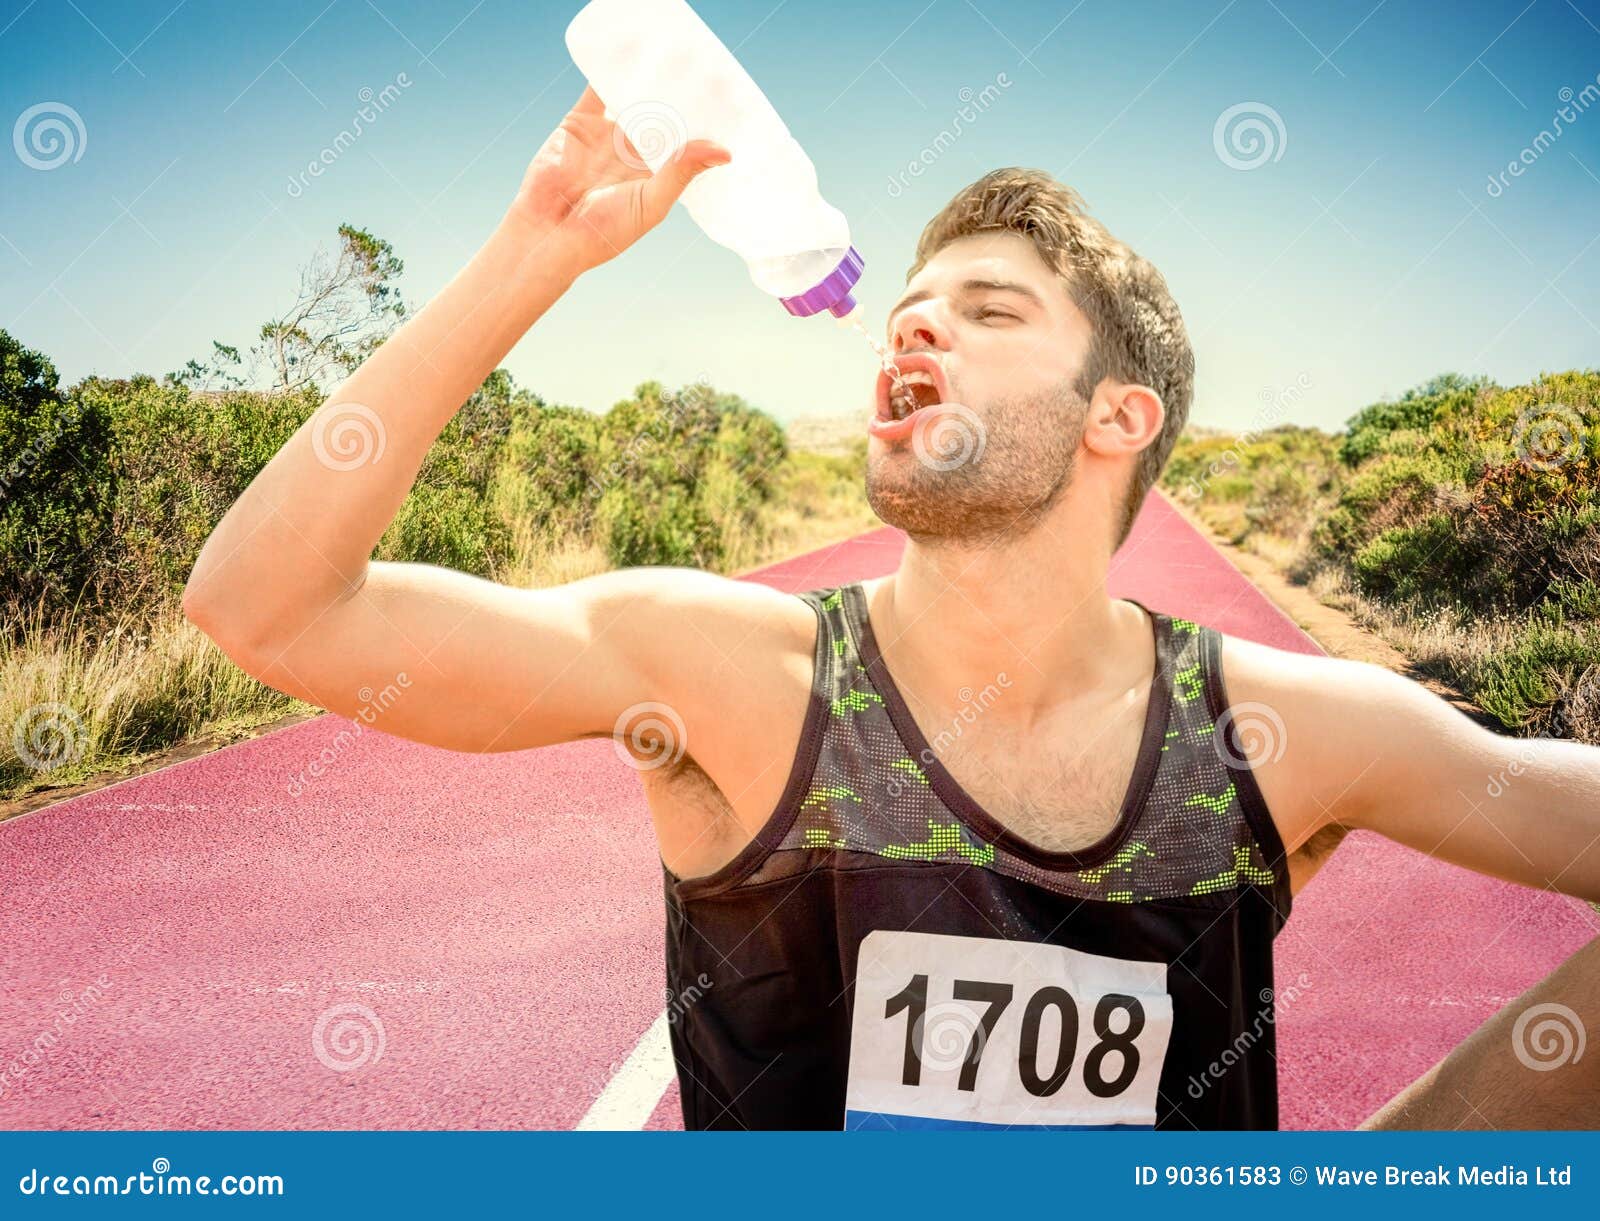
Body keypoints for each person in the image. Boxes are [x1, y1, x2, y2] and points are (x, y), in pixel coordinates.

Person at [183, 86, 1600, 1130]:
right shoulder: (729, 671)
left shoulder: (1282, 728)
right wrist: (535, 252)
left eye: (989, 311)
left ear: (1121, 413)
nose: (913, 324)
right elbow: (269, 610)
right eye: (909, 308)